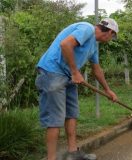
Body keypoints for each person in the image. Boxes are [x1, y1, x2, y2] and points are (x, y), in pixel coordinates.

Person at [35, 18, 119, 160]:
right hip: (52, 73)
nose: (111, 39)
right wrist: (75, 72)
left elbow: (96, 69)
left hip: (68, 77)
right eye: (113, 37)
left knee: (72, 114)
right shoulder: (87, 28)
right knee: (54, 119)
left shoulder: (94, 46)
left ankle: (73, 153)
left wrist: (107, 90)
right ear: (110, 32)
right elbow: (65, 44)